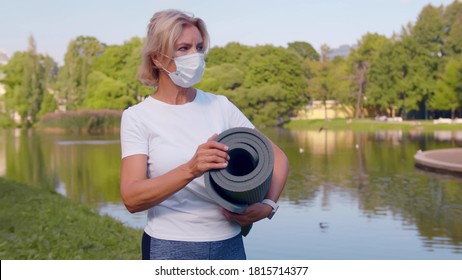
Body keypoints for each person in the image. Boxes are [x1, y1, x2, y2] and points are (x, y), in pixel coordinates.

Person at [120, 9, 289, 260]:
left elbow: (277, 158)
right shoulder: (138, 117)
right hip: (170, 246)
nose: (195, 56)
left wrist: (268, 205)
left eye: (199, 47)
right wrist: (191, 168)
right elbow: (132, 198)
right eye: (183, 48)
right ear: (157, 58)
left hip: (229, 244)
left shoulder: (221, 106)